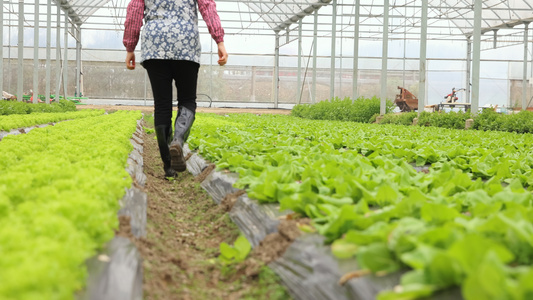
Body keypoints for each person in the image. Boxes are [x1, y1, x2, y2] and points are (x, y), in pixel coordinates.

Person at [123, 0, 228, 178]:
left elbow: (134, 12)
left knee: (162, 105)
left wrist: (130, 47)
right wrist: (219, 40)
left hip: (154, 44)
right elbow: (207, 6)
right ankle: (178, 140)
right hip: (186, 43)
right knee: (187, 100)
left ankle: (169, 167)